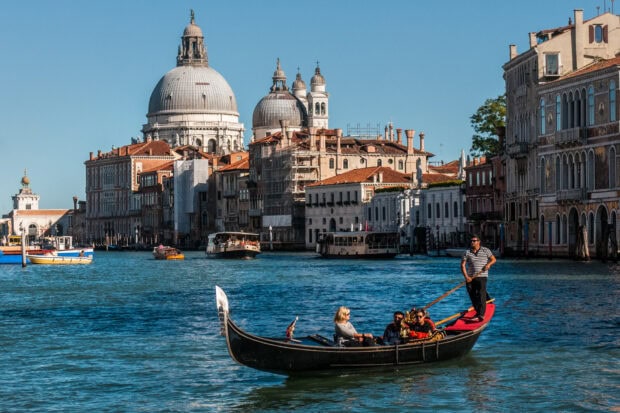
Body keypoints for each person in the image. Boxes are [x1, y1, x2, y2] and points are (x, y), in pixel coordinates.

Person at [460, 235, 496, 322]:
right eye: (471, 241)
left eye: (474, 241)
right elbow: (462, 265)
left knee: (481, 294)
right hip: (470, 278)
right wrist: (466, 277)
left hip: (482, 276)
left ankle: (481, 315)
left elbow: (493, 259)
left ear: (478, 241)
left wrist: (488, 265)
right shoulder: (467, 252)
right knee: (472, 294)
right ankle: (478, 311)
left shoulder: (485, 250)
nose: (472, 242)